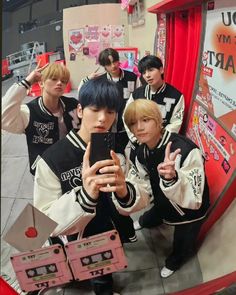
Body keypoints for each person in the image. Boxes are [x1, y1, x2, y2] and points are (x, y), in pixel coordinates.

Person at [34, 78, 149, 295]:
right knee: (88, 272)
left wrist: (124, 190)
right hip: (75, 238)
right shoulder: (52, 159)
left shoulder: (115, 149)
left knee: (103, 276)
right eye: (95, 110)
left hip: (109, 231)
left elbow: (139, 194)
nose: (103, 118)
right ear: (79, 110)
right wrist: (85, 195)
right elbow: (43, 220)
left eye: (110, 112)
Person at [124, 99, 210, 279]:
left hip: (189, 211)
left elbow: (195, 198)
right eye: (133, 123)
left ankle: (175, 261)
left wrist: (172, 178)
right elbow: (143, 180)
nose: (139, 127)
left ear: (159, 120)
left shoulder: (185, 150)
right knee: (155, 213)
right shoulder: (141, 151)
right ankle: (147, 221)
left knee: (183, 239)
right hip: (162, 200)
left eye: (145, 120)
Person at [2, 62, 79, 175]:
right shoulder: (29, 111)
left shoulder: (72, 104)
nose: (59, 83)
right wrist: (27, 82)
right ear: (41, 83)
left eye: (63, 81)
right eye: (53, 79)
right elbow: (3, 116)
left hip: (72, 166)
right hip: (44, 171)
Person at [124, 55, 185, 162]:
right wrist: (137, 138)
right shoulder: (137, 94)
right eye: (144, 72)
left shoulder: (176, 96)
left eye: (151, 70)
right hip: (139, 145)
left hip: (163, 148)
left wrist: (156, 140)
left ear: (161, 70)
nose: (147, 75)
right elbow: (127, 117)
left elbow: (175, 123)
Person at [78, 48, 138, 155]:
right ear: (104, 66)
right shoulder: (100, 80)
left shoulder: (132, 77)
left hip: (126, 128)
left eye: (115, 61)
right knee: (106, 156)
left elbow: (139, 98)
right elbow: (83, 94)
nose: (113, 66)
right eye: (108, 64)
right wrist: (87, 79)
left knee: (128, 156)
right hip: (105, 129)